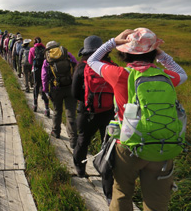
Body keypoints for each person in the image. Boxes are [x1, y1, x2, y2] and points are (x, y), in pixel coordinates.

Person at [87, 28, 188, 211]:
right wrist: (161, 55)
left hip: (128, 146)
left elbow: (92, 60)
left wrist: (113, 42)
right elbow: (183, 74)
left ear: (124, 53)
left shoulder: (119, 75)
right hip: (163, 146)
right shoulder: (166, 76)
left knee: (122, 193)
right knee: (157, 203)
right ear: (153, 53)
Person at [72, 35, 116, 203]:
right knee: (108, 147)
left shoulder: (81, 67)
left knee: (83, 140)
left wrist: (87, 102)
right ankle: (108, 190)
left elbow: (74, 93)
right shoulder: (111, 67)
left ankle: (80, 169)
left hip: (86, 113)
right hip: (108, 113)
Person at [41, 41, 78, 148]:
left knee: (57, 111)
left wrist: (46, 90)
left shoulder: (47, 59)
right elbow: (75, 65)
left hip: (56, 89)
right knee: (70, 113)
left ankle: (56, 132)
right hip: (70, 87)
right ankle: (73, 139)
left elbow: (44, 77)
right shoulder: (67, 54)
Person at [28, 37, 50, 115]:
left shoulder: (32, 49)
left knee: (36, 86)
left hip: (36, 69)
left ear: (34, 42)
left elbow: (30, 61)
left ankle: (35, 104)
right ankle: (47, 108)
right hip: (45, 69)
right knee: (44, 86)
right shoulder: (45, 49)